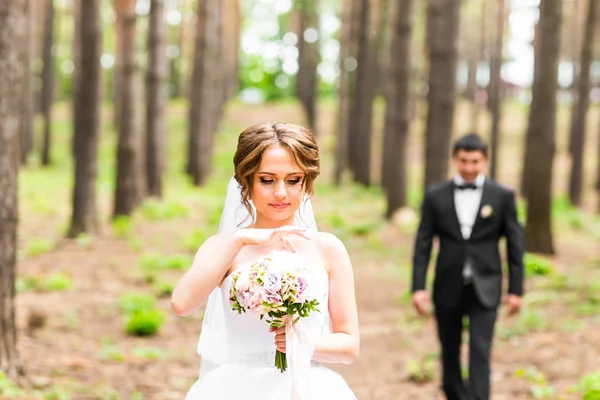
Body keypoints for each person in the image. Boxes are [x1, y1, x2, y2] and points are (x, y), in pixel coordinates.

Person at [171, 122, 359, 400]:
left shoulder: (327, 249)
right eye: (267, 180)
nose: (281, 192)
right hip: (235, 389)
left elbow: (349, 345)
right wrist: (240, 239)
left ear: (306, 183)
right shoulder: (223, 247)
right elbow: (182, 303)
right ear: (246, 182)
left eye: (293, 180)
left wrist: (303, 344)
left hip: (308, 387)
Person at [411, 133, 524, 400]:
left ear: (485, 160)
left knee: (481, 352)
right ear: (455, 160)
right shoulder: (435, 195)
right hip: (447, 284)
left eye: (475, 161)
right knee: (449, 351)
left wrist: (516, 289)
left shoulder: (503, 195)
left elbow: (515, 246)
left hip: (487, 285)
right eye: (463, 161)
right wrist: (418, 288)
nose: (469, 167)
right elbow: (423, 245)